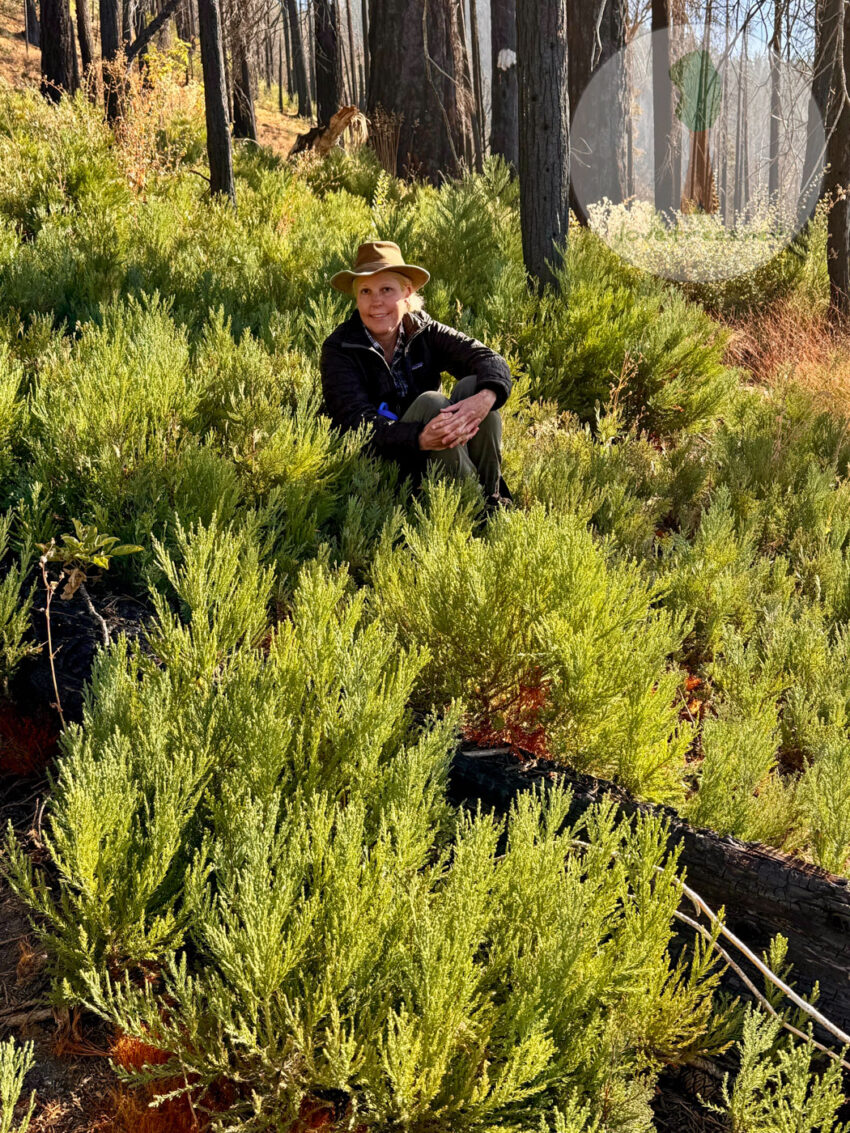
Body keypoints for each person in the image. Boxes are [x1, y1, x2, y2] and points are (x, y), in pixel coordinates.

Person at [320, 240, 512, 504]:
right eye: (365, 291)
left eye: (386, 289)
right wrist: (419, 438)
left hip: (434, 453)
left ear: (407, 292)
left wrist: (484, 399)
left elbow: (491, 360)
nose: (375, 302)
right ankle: (475, 505)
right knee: (431, 402)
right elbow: (355, 422)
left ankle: (492, 495)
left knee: (476, 386)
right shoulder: (340, 348)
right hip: (379, 465)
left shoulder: (425, 330)